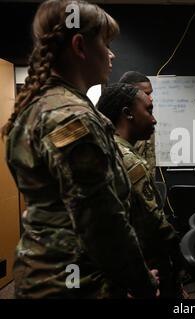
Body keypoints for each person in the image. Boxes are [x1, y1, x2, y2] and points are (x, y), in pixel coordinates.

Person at [2, 0, 159, 298]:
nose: (112, 54)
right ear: (80, 46)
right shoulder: (72, 118)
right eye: (106, 43)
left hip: (46, 276)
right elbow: (101, 221)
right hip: (75, 284)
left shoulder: (38, 107)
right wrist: (141, 282)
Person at [96, 83, 183, 298]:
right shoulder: (130, 161)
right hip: (143, 264)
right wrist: (181, 255)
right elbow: (156, 225)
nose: (154, 120)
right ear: (128, 114)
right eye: (149, 111)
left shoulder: (105, 148)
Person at [118, 71, 156, 178]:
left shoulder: (145, 121)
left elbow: (150, 163)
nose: (151, 98)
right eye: (146, 94)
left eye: (150, 93)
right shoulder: (107, 117)